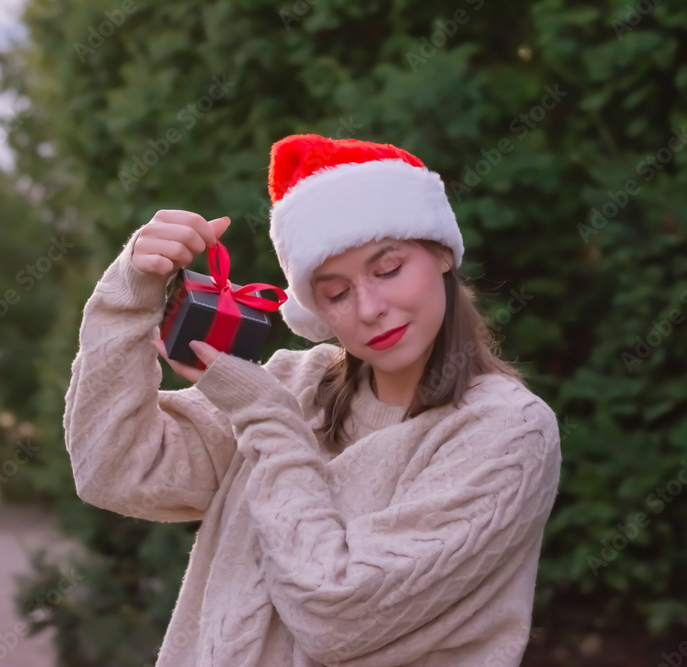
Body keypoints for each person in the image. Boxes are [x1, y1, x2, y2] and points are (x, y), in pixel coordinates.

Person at [63, 134, 562, 666]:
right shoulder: (293, 386)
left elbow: (337, 615)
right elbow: (110, 468)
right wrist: (131, 291)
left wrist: (266, 418)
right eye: (336, 292)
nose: (369, 308)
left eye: (388, 269)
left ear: (441, 252)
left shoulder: (508, 432)